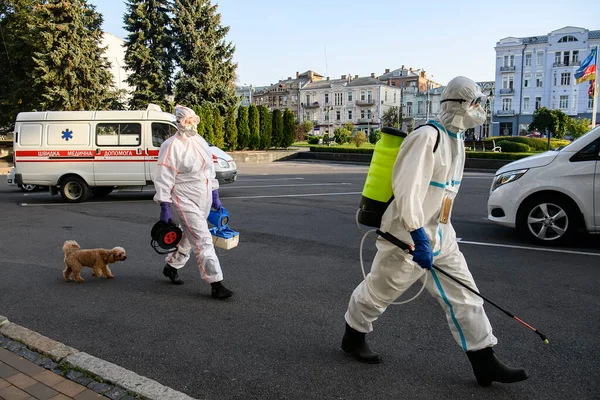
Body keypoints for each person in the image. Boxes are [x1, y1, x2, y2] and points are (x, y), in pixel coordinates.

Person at [342, 77, 528, 386]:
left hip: (442, 237)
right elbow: (407, 190)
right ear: (459, 105)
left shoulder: (457, 140)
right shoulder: (427, 137)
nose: (480, 110)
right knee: (379, 292)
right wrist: (416, 235)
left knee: (466, 296)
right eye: (476, 103)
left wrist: (437, 236)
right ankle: (353, 335)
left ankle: (484, 360)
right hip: (406, 236)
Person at [153, 105, 233, 300]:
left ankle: (171, 267)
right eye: (188, 122)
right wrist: (164, 205)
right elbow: (163, 176)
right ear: (179, 123)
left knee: (190, 237)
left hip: (203, 194)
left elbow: (209, 170)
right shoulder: (171, 146)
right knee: (203, 238)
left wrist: (214, 194)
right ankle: (216, 283)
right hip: (183, 196)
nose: (192, 125)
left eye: (194, 121)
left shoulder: (200, 142)